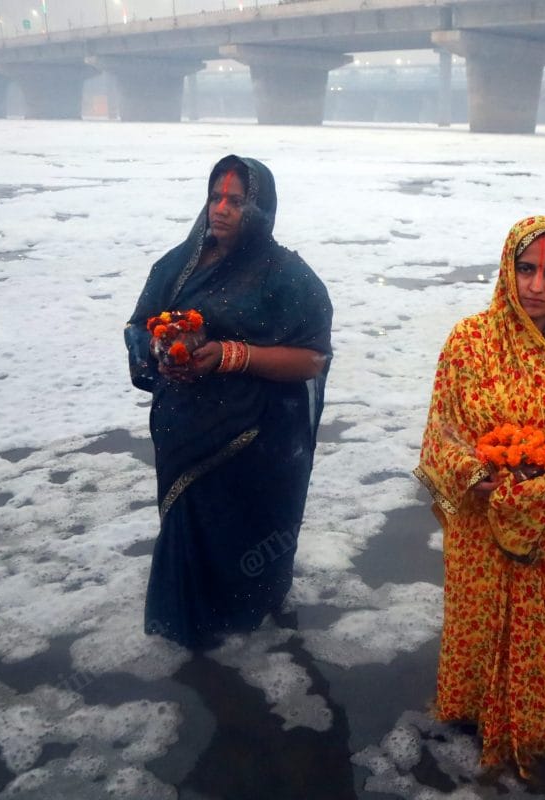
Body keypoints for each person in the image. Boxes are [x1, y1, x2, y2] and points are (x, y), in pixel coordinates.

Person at [414, 215, 545, 776]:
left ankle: (526, 717)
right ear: (508, 269)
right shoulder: (469, 340)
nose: (536, 285)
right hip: (482, 524)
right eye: (526, 269)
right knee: (477, 623)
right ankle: (474, 714)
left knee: (536, 635)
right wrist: (481, 476)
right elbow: (441, 437)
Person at [125, 155, 332, 650]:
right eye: (216, 197)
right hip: (184, 435)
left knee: (240, 539)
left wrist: (230, 355)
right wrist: (161, 348)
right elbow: (139, 324)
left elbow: (312, 361)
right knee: (188, 532)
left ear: (260, 209)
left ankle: (242, 621)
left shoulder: (287, 276)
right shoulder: (179, 263)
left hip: (254, 442)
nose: (221, 209)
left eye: (236, 200)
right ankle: (188, 629)